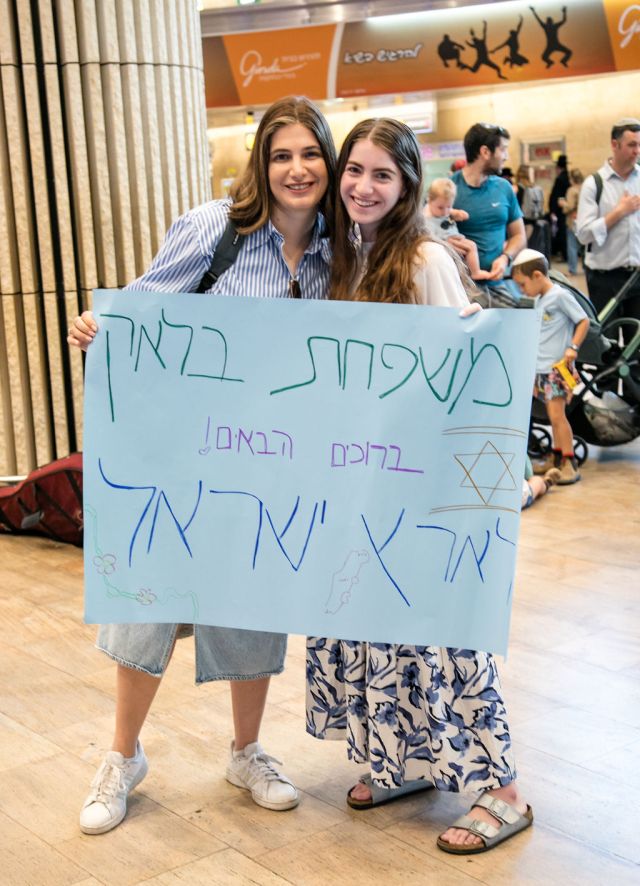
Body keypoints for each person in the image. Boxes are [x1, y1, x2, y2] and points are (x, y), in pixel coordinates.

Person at [67, 95, 337, 835]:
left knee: (254, 605)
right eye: (280, 155)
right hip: (182, 455)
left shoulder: (339, 250)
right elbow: (143, 308)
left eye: (309, 154)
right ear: (260, 163)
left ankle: (247, 751)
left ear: (328, 161)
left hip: (271, 463)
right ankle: (122, 755)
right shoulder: (214, 228)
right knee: (147, 604)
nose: (296, 169)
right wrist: (101, 327)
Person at [307, 116, 533, 856]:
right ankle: (403, 760)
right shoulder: (345, 259)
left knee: (447, 633)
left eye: (382, 174)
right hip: (363, 483)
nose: (363, 186)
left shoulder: (423, 257)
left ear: (407, 184)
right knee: (378, 626)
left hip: (422, 488)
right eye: (354, 170)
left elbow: (460, 374)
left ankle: (504, 790)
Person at [511, 249, 590, 485]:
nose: (521, 290)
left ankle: (569, 463)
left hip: (556, 369)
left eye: (523, 284)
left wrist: (573, 347)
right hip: (542, 369)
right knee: (552, 416)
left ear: (537, 275)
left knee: (557, 417)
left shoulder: (560, 296)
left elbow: (583, 320)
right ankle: (556, 459)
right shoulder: (540, 299)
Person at [451, 122, 527, 304]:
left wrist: (505, 258)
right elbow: (426, 236)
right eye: (503, 149)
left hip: (500, 286)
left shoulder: (504, 188)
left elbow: (519, 236)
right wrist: (444, 243)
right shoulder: (448, 190)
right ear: (485, 152)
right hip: (462, 289)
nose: (506, 156)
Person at [576, 118, 640, 326]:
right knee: (606, 341)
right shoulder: (594, 184)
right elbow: (583, 234)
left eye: (639, 145)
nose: (637, 151)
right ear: (615, 144)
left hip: (637, 277)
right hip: (604, 279)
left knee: (636, 342)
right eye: (631, 145)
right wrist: (619, 212)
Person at [423, 178, 490, 279]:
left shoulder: (445, 210)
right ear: (429, 200)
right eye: (441, 207)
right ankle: (475, 272)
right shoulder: (427, 218)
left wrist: (458, 213)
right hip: (443, 245)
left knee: (471, 246)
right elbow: (429, 239)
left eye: (449, 206)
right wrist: (445, 243)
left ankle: (474, 272)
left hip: (456, 240)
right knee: (470, 247)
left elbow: (464, 216)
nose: (445, 212)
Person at [558, 168, 584, 275]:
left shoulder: (571, 190)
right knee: (583, 245)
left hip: (573, 220)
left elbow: (570, 206)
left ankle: (572, 269)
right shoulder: (585, 188)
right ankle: (586, 267)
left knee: (572, 245)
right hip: (583, 219)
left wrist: (562, 203)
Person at [549, 154, 570, 261]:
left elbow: (555, 196)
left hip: (560, 210)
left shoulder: (560, 179)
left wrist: (552, 210)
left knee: (562, 232)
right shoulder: (568, 178)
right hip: (567, 210)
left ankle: (564, 254)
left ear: (558, 168)